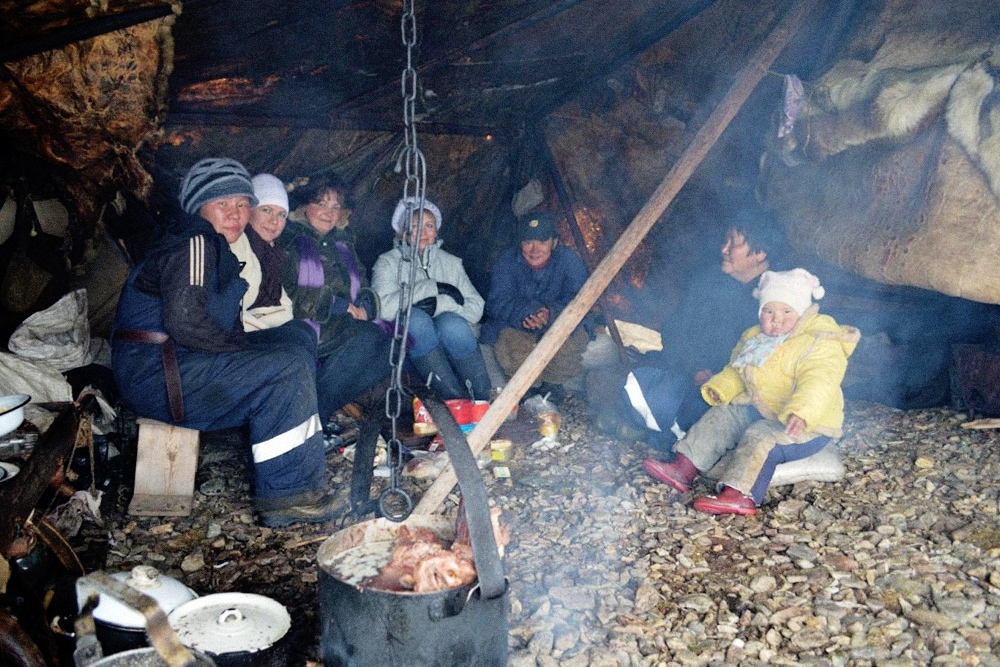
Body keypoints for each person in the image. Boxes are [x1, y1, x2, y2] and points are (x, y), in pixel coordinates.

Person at [111, 157, 341, 527]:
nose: (235, 214)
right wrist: (246, 358)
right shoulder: (193, 242)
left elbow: (216, 324)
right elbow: (186, 322)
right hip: (159, 375)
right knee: (283, 369)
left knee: (295, 339)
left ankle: (294, 453)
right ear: (197, 208)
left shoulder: (216, 250)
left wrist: (252, 353)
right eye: (222, 204)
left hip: (180, 363)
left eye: (241, 204)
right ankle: (289, 496)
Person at [643, 268, 859, 515]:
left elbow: (820, 382)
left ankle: (739, 494)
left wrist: (801, 412)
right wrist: (720, 387)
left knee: (761, 436)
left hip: (808, 423)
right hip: (762, 408)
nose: (776, 319)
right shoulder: (755, 338)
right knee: (724, 415)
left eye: (786, 312)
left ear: (801, 313)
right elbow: (737, 370)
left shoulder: (819, 341)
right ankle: (684, 467)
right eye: (768, 312)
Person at [612, 210, 786, 449]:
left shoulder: (776, 299)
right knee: (639, 384)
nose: (724, 250)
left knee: (708, 411)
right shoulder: (708, 282)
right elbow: (674, 328)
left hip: (731, 389)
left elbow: (772, 357)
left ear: (760, 253)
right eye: (725, 242)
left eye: (732, 244)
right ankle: (666, 426)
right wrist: (693, 368)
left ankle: (662, 430)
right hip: (688, 374)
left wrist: (719, 377)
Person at [278, 174, 392, 425]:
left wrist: (366, 306)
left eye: (335, 206)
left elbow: (362, 279)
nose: (328, 213)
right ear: (306, 206)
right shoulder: (290, 240)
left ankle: (320, 408)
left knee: (392, 348)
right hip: (308, 320)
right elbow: (285, 291)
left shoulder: (344, 241)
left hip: (348, 320)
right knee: (367, 337)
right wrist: (336, 305)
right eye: (321, 204)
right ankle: (313, 417)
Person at [371, 197, 491, 399]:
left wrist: (441, 304)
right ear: (403, 232)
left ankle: (482, 396)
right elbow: (382, 308)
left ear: (436, 232)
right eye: (416, 226)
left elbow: (476, 308)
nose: (423, 233)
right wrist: (430, 288)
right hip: (412, 349)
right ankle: (454, 399)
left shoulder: (451, 263)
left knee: (450, 323)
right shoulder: (388, 263)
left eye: (429, 226)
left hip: (454, 341)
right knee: (416, 320)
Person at [480, 212, 591, 399]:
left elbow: (581, 299)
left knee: (570, 342)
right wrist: (527, 314)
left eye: (542, 241)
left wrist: (550, 314)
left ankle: (553, 386)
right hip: (518, 326)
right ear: (520, 244)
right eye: (528, 242)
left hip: (558, 323)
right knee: (508, 343)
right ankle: (528, 390)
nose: (534, 249)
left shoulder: (568, 260)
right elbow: (497, 302)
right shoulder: (507, 262)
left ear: (554, 243)